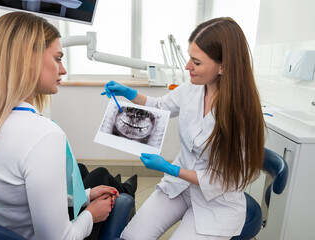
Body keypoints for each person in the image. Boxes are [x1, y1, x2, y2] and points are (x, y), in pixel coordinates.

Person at [0, 11, 136, 240]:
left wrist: (87, 194)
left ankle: (120, 186)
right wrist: (91, 214)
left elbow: (15, 197)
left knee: (91, 176)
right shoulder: (44, 135)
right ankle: (127, 190)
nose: (63, 70)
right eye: (57, 58)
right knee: (102, 177)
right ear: (27, 60)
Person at [101, 17, 264, 239]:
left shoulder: (242, 113)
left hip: (216, 201)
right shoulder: (192, 88)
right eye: (189, 57)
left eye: (196, 62)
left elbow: (227, 179)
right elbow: (160, 106)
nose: (187, 66)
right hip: (178, 186)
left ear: (223, 66)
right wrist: (129, 93)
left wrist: (170, 168)